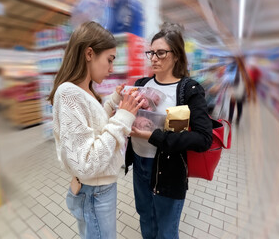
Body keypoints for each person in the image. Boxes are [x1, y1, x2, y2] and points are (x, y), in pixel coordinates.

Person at [47, 21, 144, 239]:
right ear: (89, 53)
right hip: (95, 193)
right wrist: (123, 118)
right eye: (109, 60)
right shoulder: (69, 93)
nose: (112, 68)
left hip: (98, 190)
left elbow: (94, 125)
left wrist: (114, 102)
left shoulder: (83, 91)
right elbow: (87, 162)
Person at [125, 23, 213, 239]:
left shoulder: (189, 89)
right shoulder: (141, 84)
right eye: (151, 53)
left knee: (166, 229)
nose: (154, 58)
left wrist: (153, 136)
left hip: (169, 169)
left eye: (161, 53)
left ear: (176, 55)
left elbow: (203, 139)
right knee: (145, 216)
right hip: (139, 163)